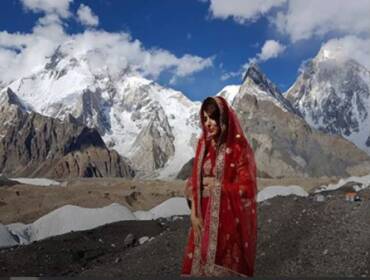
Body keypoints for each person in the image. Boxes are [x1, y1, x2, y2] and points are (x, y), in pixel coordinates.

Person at [181, 96, 257, 277]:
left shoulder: (238, 148)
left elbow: (247, 189)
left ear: (223, 117)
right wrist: (193, 215)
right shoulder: (203, 146)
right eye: (204, 119)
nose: (208, 123)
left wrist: (216, 185)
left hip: (228, 224)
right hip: (200, 220)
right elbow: (193, 183)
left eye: (212, 117)